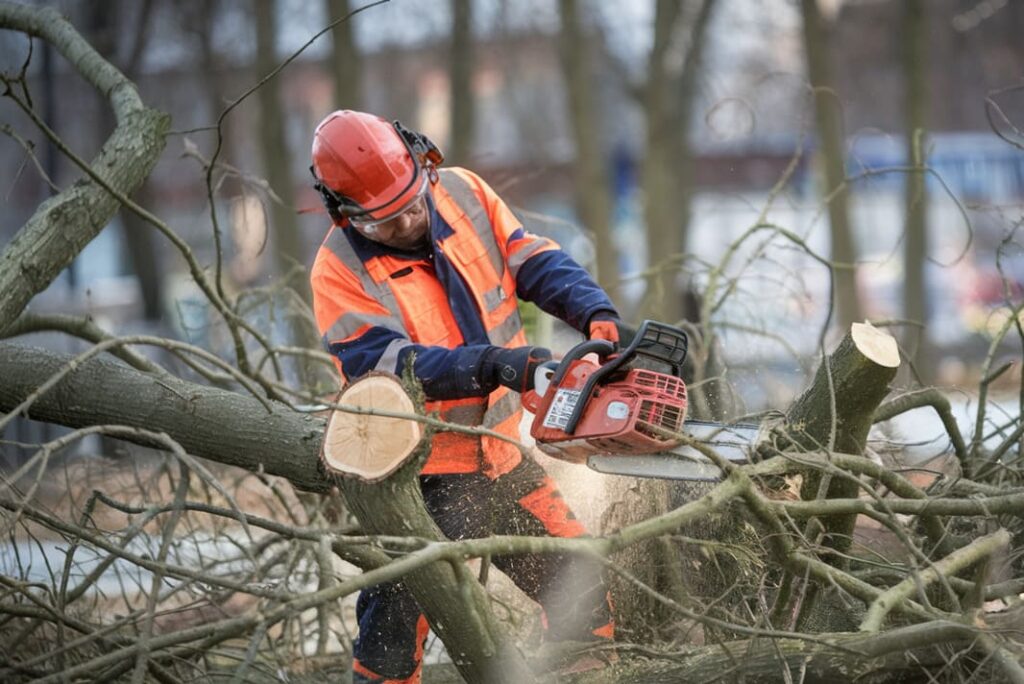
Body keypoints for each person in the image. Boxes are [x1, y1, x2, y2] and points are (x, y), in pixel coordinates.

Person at [308, 110, 623, 683]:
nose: (408, 219)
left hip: (498, 458)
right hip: (417, 477)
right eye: (387, 218)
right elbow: (393, 366)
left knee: (582, 588)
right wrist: (497, 365)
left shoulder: (463, 192)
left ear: (421, 162)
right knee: (391, 646)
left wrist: (595, 312)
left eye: (411, 199)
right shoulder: (339, 271)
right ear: (345, 212)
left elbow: (531, 259)